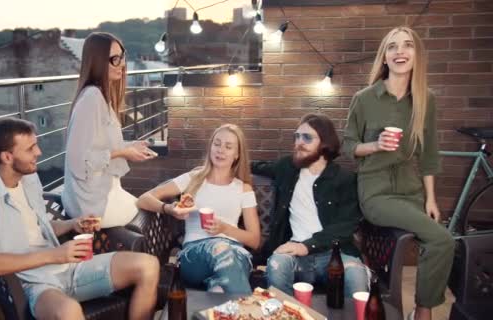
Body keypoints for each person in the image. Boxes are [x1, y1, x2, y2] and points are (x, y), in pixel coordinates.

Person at [0, 118, 159, 320]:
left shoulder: (28, 179)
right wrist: (55, 255)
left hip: (68, 268)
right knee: (67, 311)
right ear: (7, 157)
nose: (39, 153)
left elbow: (39, 228)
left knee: (148, 265)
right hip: (34, 283)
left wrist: (73, 224)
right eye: (30, 148)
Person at [342, 26, 454, 320]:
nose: (400, 52)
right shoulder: (365, 98)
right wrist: (376, 144)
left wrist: (431, 199)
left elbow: (429, 153)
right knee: (443, 240)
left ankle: (419, 303)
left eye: (407, 46)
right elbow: (348, 146)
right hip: (376, 192)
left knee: (434, 241)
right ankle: (424, 310)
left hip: (411, 189)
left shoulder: (425, 99)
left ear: (417, 55)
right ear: (384, 57)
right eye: (392, 47)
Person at [251, 114, 368, 297]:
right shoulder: (287, 168)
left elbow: (346, 225)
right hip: (294, 254)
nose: (299, 142)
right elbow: (255, 166)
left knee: (356, 275)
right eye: (296, 136)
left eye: (307, 137)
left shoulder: (344, 179)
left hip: (334, 255)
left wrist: (308, 246)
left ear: (325, 142)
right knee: (277, 264)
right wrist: (209, 168)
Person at [136, 124, 260, 294]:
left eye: (228, 146)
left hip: (235, 253)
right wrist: (169, 209)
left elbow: (254, 240)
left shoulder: (243, 189)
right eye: (217, 144)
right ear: (210, 147)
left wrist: (224, 228)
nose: (221, 150)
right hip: (195, 255)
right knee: (220, 249)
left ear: (237, 155)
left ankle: (218, 293)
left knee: (219, 289)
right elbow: (144, 199)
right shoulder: (194, 177)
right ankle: (249, 308)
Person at [62, 32, 156, 227]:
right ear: (97, 62)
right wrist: (123, 152)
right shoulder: (92, 98)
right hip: (92, 203)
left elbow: (98, 145)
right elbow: (79, 160)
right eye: (114, 59)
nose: (122, 64)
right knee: (150, 213)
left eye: (122, 57)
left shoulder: (100, 96)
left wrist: (131, 146)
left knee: (151, 207)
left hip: (104, 192)